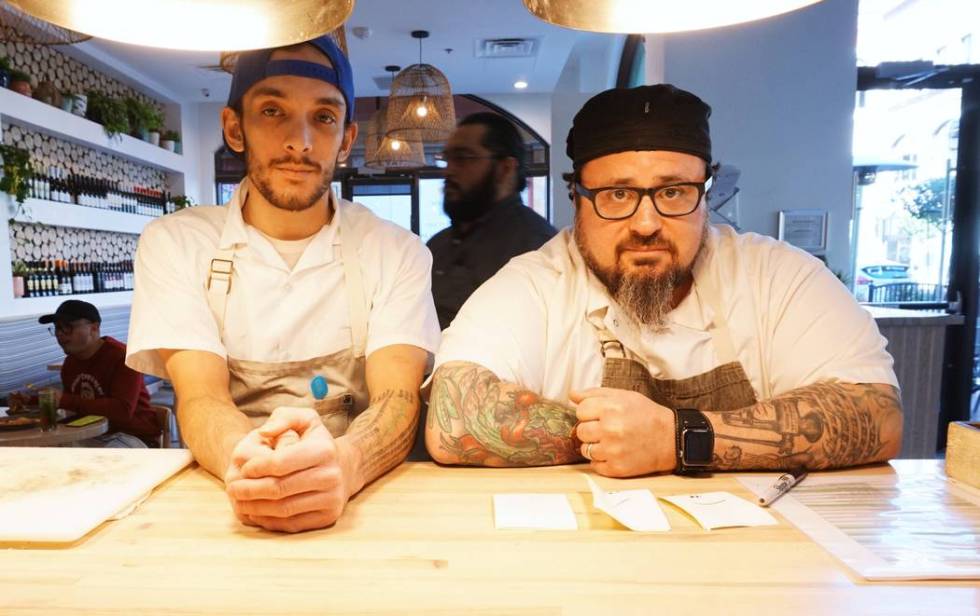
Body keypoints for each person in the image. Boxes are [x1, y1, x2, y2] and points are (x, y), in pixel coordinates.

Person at [426, 84, 902, 476]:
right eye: (617, 194)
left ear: (706, 191)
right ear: (577, 198)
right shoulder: (535, 283)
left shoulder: (777, 276)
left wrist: (675, 437)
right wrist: (615, 436)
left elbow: (877, 415)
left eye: (674, 192)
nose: (647, 223)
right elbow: (453, 418)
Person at [126, 35, 440, 532]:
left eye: (324, 117)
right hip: (224, 498)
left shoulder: (395, 250)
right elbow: (201, 397)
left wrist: (344, 465)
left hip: (361, 505)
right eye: (273, 111)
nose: (300, 141)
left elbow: (396, 401)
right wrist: (250, 466)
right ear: (234, 127)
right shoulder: (177, 243)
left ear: (347, 138)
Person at [428, 112, 556, 329]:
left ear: (505, 168)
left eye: (463, 158)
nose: (449, 170)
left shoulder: (538, 248)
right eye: (447, 159)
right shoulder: (437, 245)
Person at [30, 300, 158, 448]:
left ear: (94, 328)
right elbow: (76, 409)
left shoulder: (122, 358)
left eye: (67, 327)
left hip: (133, 436)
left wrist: (63, 400)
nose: (59, 334)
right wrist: (29, 401)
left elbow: (122, 411)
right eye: (57, 328)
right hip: (91, 435)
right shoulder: (70, 363)